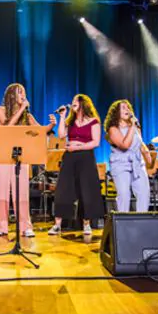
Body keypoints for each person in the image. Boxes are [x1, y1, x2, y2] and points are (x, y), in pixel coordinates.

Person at [0, 83, 56, 237]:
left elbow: (41, 131)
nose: (23, 95)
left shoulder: (28, 116)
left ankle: (25, 226)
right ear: (12, 95)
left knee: (21, 194)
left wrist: (52, 124)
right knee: (1, 193)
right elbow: (7, 126)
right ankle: (0, 226)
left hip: (21, 156)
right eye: (20, 92)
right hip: (3, 156)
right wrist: (22, 109)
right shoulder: (1, 110)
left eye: (24, 92)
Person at [48, 94, 104, 235]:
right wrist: (62, 117)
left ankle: (86, 223)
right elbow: (61, 135)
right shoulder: (70, 121)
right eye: (72, 101)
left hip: (85, 158)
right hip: (70, 157)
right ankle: (57, 224)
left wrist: (79, 147)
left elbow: (95, 142)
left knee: (86, 190)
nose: (72, 103)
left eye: (75, 101)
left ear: (83, 104)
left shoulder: (93, 121)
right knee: (63, 188)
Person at [104, 99, 152, 212]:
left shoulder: (136, 127)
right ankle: (122, 224)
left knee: (144, 193)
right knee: (124, 195)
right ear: (116, 113)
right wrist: (132, 127)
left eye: (128, 107)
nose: (127, 109)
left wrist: (146, 152)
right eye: (123, 108)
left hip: (137, 163)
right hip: (120, 164)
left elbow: (139, 142)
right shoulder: (113, 129)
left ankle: (142, 222)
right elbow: (125, 145)